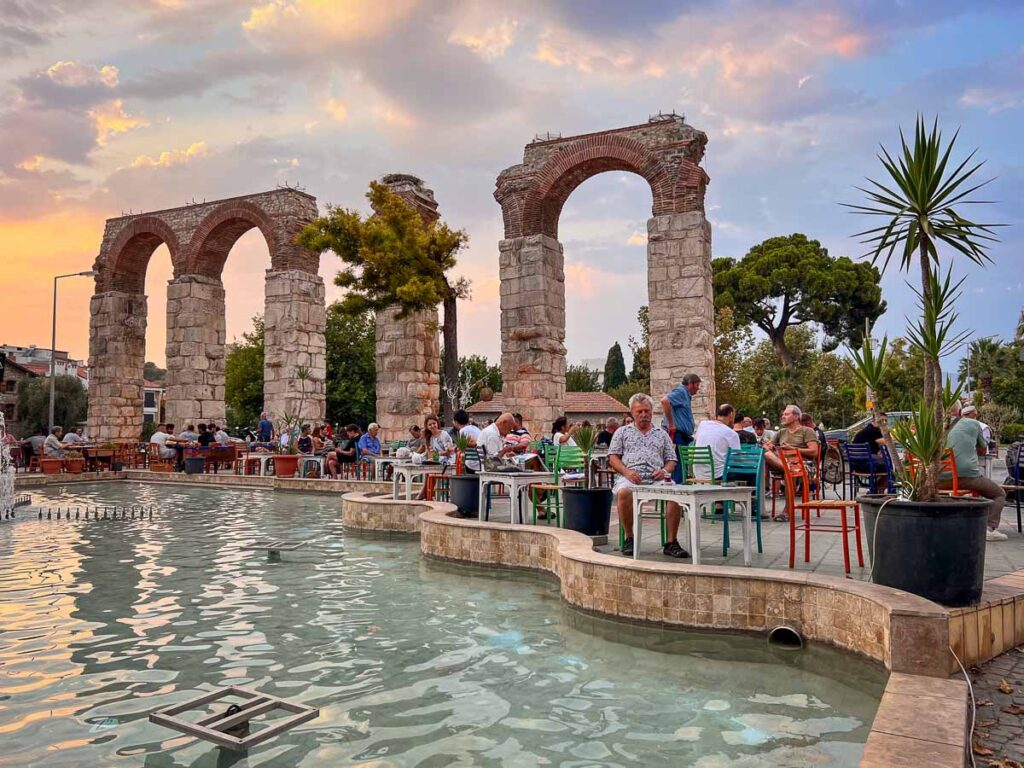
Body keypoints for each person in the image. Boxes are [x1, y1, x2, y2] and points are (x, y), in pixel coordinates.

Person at [608, 393, 686, 558]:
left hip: (657, 478)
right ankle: (630, 538)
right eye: (639, 411)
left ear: (651, 412)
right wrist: (627, 472)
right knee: (623, 492)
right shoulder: (622, 432)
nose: (644, 415)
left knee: (675, 494)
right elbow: (613, 457)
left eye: (647, 411)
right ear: (632, 413)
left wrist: (664, 471)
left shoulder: (661, 434)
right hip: (631, 477)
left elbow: (672, 460)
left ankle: (671, 542)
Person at [942, 403, 1007, 541]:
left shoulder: (932, 424)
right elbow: (982, 450)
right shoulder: (972, 423)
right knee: (999, 494)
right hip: (966, 476)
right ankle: (989, 529)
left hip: (935, 478)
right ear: (961, 412)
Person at [763, 405, 820, 522]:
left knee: (788, 469)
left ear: (796, 417)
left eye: (786, 414)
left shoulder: (807, 431)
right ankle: (761, 503)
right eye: (783, 414)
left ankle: (786, 511)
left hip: (804, 465)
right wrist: (770, 446)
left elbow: (814, 452)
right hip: (785, 464)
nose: (783, 416)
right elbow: (766, 445)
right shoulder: (781, 432)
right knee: (766, 455)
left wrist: (793, 449)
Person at [661, 373, 701, 483]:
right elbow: (665, 401)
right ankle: (677, 488)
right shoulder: (681, 392)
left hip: (682, 435)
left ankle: (679, 486)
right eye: (697, 385)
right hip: (677, 434)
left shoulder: (685, 395)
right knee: (677, 463)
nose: (698, 388)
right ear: (690, 384)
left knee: (680, 464)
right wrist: (671, 423)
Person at [694, 404, 742, 479]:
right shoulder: (732, 434)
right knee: (752, 475)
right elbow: (737, 460)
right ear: (731, 415)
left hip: (698, 474)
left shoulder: (702, 425)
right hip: (719, 475)